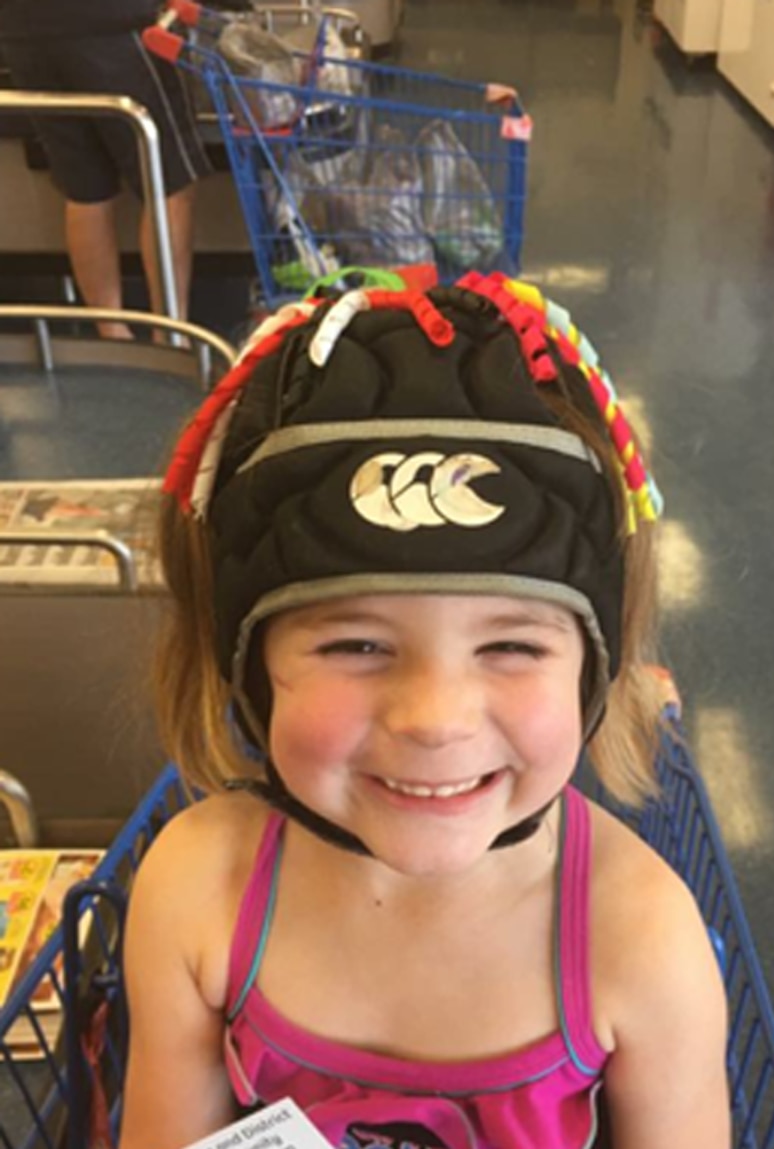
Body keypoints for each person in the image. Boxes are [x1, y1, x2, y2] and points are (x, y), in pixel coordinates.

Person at [119, 272, 730, 1149]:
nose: (435, 717)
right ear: (247, 668)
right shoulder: (195, 893)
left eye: (511, 646)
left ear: (594, 671)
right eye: (355, 645)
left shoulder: (641, 943)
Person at [0, 0, 211, 338]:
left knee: (85, 188)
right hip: (117, 24)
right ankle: (170, 335)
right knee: (166, 181)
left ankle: (112, 335)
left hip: (21, 30)